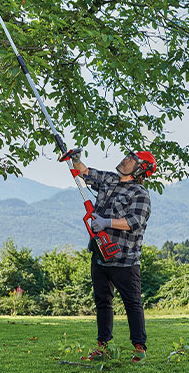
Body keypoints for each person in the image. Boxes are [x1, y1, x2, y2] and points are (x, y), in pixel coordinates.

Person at [71, 149, 156, 363]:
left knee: (132, 303)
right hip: (100, 253)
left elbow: (135, 221)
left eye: (131, 159)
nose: (125, 160)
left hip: (124, 258)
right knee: (102, 302)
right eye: (127, 156)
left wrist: (106, 222)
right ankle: (103, 347)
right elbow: (86, 173)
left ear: (140, 170)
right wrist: (76, 160)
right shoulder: (109, 179)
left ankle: (139, 348)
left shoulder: (140, 194)